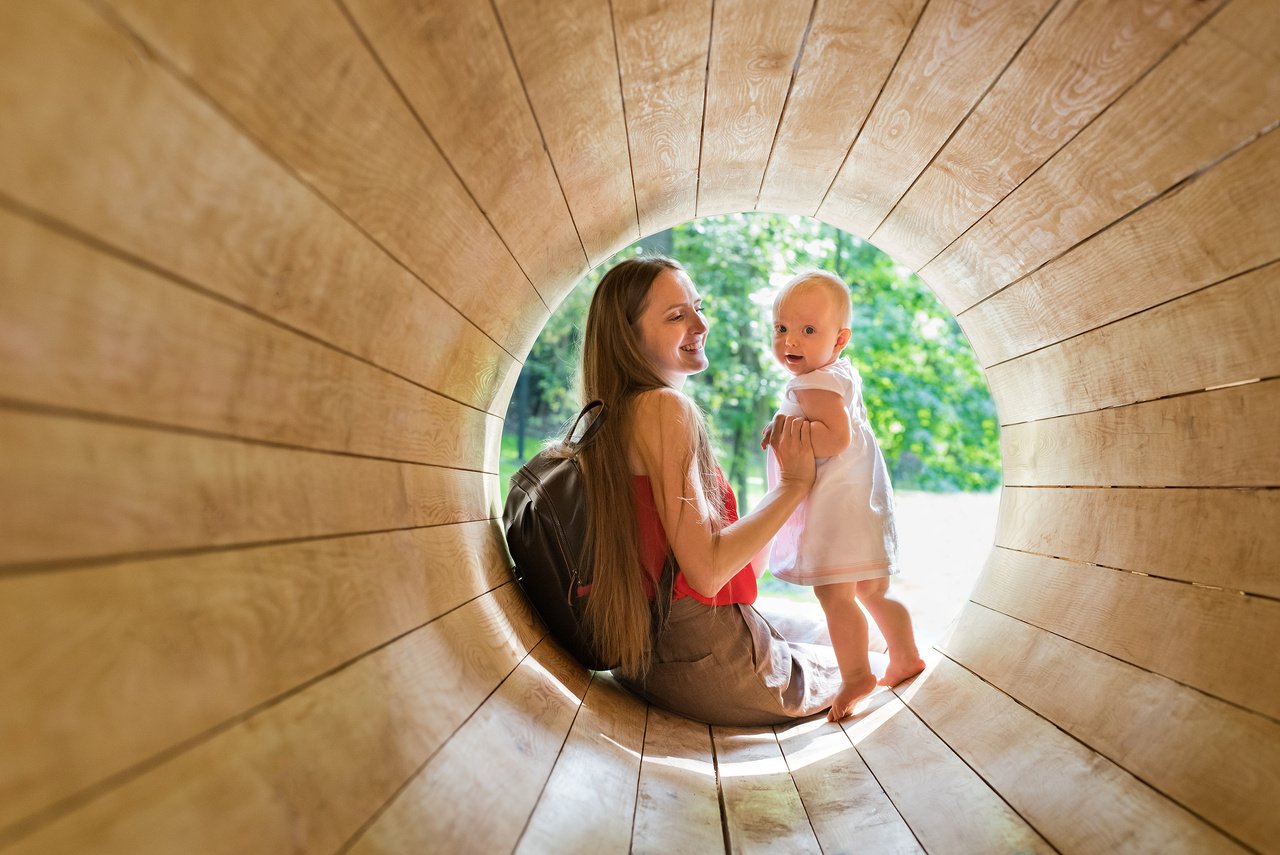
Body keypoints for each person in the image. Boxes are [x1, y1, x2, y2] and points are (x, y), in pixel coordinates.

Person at [578, 256, 843, 726]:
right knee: (876, 660)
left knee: (834, 630)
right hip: (710, 661)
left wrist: (780, 482)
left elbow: (740, 572)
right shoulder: (664, 410)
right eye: (676, 315)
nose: (701, 324)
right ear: (629, 336)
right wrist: (796, 485)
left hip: (653, 660)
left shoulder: (611, 413)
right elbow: (707, 574)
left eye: (697, 307)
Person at [762, 270, 925, 721]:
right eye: (781, 328)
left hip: (838, 512)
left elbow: (832, 439)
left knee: (835, 596)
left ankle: (856, 675)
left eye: (808, 330)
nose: (790, 340)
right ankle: (905, 655)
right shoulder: (838, 374)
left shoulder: (810, 383)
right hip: (863, 504)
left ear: (840, 339)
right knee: (873, 590)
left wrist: (784, 434)